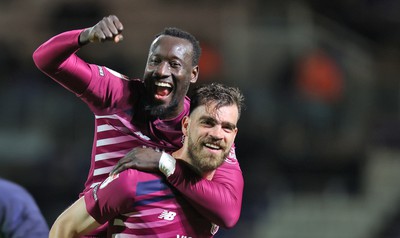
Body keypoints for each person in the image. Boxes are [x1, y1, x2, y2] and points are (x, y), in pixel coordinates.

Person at [33, 15, 243, 237]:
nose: (161, 71)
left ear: (193, 74)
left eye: (174, 64)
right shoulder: (117, 94)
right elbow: (45, 60)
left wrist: (163, 162)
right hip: (90, 224)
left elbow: (228, 211)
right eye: (154, 61)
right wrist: (85, 36)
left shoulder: (200, 128)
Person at [49, 83, 244, 237]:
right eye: (207, 123)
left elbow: (229, 215)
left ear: (234, 135)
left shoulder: (218, 191)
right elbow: (65, 227)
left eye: (227, 127)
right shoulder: (135, 180)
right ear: (186, 125)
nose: (217, 134)